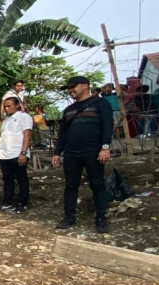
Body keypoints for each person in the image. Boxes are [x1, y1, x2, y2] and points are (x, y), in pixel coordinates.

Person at [52, 76, 114, 234]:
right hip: (72, 153)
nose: (71, 90)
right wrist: (57, 152)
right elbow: (63, 133)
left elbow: (108, 125)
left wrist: (105, 147)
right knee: (71, 185)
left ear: (85, 86)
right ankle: (69, 217)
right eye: (69, 88)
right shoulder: (68, 110)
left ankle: (101, 218)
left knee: (97, 184)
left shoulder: (100, 103)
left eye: (74, 87)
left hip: (93, 151)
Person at [0, 97, 33, 213]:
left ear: (17, 105)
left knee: (21, 178)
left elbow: (27, 135)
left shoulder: (24, 117)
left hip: (17, 153)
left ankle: (23, 202)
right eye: (5, 106)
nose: (6, 108)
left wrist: (23, 153)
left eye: (9, 106)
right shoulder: (6, 120)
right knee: (8, 179)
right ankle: (7, 202)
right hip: (4, 154)